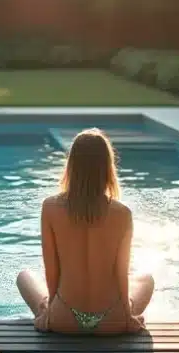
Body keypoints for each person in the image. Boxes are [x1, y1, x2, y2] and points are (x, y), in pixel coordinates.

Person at [16, 129, 154, 334]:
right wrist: (126, 315)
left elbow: (52, 270)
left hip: (64, 319)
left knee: (25, 276)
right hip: (111, 320)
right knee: (146, 278)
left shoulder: (51, 207)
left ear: (71, 166)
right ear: (107, 167)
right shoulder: (123, 213)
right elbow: (120, 272)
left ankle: (51, 309)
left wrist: (51, 312)